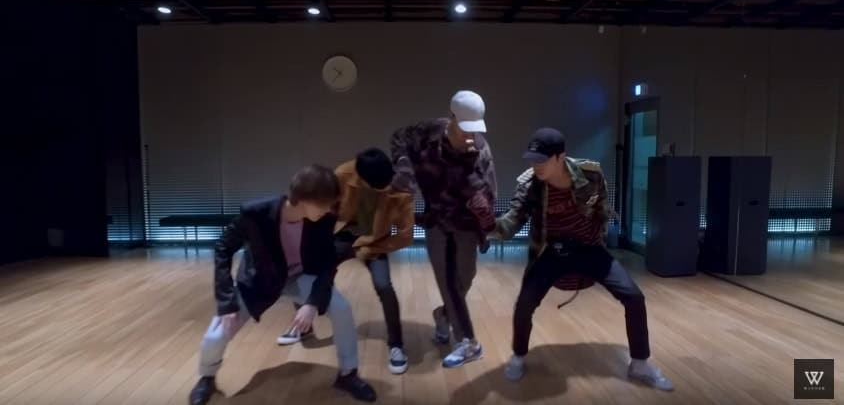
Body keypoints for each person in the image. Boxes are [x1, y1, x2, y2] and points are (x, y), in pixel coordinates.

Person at [490, 128, 674, 391]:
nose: (535, 165)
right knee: (524, 303)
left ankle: (640, 363)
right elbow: (511, 222)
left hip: (589, 249)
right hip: (550, 252)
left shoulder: (590, 174)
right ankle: (518, 356)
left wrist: (602, 233)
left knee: (634, 297)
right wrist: (487, 226)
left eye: (542, 160)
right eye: (532, 159)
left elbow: (602, 208)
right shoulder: (530, 185)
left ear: (560, 157)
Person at [189, 165, 377, 405]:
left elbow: (328, 263)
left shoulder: (323, 219)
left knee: (341, 308)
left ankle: (348, 374)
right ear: (303, 200)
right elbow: (223, 248)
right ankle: (206, 378)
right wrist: (226, 301)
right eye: (324, 205)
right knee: (216, 335)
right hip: (261, 280)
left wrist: (312, 303)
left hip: (300, 276)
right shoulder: (256, 213)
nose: (329, 210)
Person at [277, 148, 415, 375]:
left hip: (375, 241)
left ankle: (396, 345)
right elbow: (320, 207)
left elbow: (405, 235)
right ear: (360, 176)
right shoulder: (343, 175)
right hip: (341, 236)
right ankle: (303, 326)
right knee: (307, 273)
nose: (382, 189)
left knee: (384, 285)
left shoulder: (400, 189)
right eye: (374, 186)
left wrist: (371, 247)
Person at [389, 90, 497, 368]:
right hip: (436, 219)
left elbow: (489, 192)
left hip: (466, 223)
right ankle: (468, 342)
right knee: (448, 279)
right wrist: (404, 168)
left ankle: (444, 315)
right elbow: (398, 139)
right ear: (451, 116)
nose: (470, 134)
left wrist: (485, 221)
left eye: (475, 128)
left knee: (464, 278)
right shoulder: (426, 133)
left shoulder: (480, 149)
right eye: (465, 127)